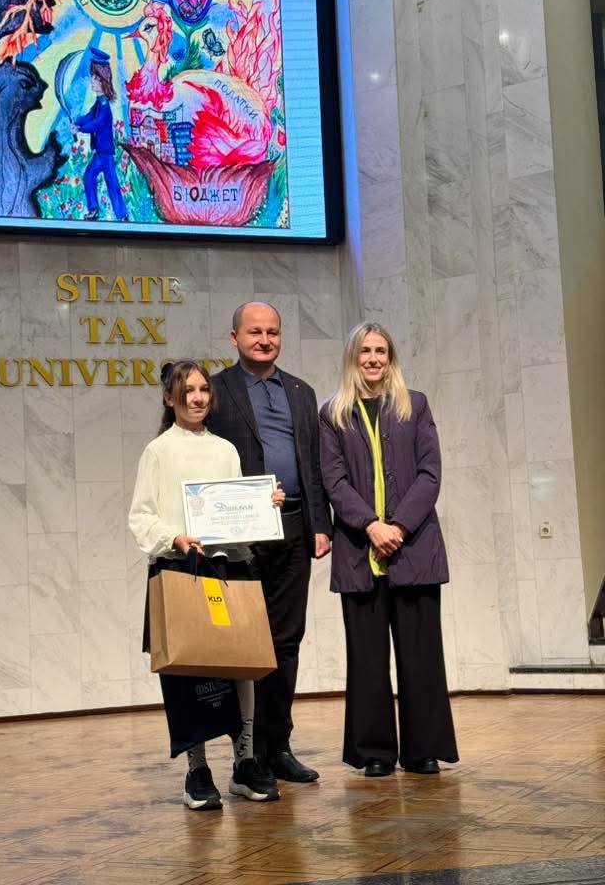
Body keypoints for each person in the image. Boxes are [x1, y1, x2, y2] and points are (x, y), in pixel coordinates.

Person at [128, 359, 285, 809]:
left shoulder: (225, 449)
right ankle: (197, 769)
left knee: (242, 663)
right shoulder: (158, 452)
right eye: (187, 391)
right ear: (169, 398)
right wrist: (174, 537)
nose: (197, 398)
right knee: (187, 667)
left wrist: (265, 505)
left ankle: (244, 763)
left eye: (203, 390)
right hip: (180, 568)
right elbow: (141, 515)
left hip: (228, 566)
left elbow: (236, 514)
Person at [319, 323, 459, 777]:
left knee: (421, 657)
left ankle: (423, 749)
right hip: (359, 553)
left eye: (381, 351)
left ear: (391, 358)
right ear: (352, 357)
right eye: (365, 351)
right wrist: (371, 526)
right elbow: (334, 480)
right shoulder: (333, 413)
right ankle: (375, 752)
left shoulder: (414, 405)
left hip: (413, 549)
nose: (373, 358)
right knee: (367, 661)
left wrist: (397, 526)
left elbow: (430, 473)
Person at [208, 302, 332, 784]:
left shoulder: (301, 391)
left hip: (295, 528)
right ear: (234, 337)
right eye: (255, 332)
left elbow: (313, 462)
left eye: (273, 332)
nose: (265, 340)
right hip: (241, 535)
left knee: (286, 642)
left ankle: (278, 745)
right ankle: (247, 753)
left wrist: (321, 524)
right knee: (245, 644)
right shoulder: (216, 390)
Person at [71, 47, 128, 221]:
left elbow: (97, 123)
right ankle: (111, 213)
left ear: (104, 81)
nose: (92, 81)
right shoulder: (98, 103)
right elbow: (89, 116)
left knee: (101, 180)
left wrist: (80, 129)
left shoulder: (104, 106)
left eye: (96, 78)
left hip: (105, 153)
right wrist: (78, 122)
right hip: (102, 152)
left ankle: (112, 214)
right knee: (102, 181)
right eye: (92, 77)